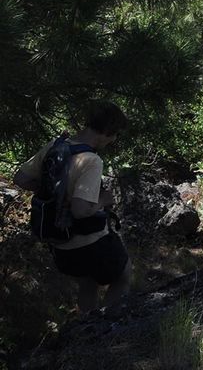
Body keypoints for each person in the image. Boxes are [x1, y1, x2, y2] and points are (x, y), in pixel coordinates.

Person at [13, 102, 131, 314]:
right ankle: (106, 326)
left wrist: (55, 191)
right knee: (123, 277)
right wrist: (104, 200)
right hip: (91, 242)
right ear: (106, 132)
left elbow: (20, 178)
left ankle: (87, 330)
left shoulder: (55, 145)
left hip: (60, 243)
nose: (114, 140)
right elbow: (80, 210)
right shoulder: (92, 160)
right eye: (115, 135)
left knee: (86, 284)